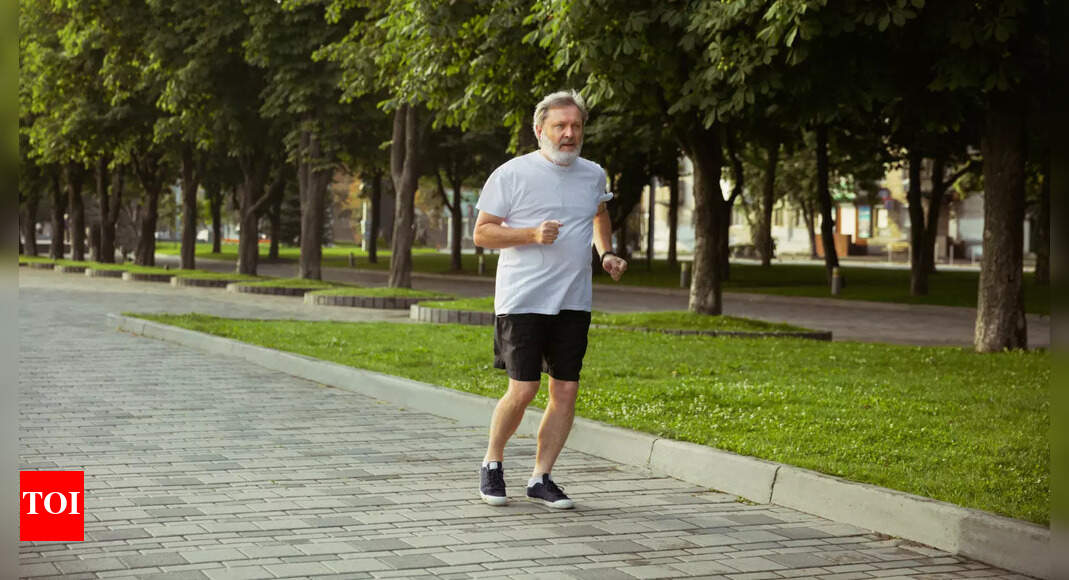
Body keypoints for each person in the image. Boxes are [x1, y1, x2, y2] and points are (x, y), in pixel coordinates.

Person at [472, 90, 628, 509]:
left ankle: (541, 477)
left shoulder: (592, 173)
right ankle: (492, 463)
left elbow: (598, 212)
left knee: (566, 390)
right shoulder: (512, 174)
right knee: (522, 389)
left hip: (573, 300)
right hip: (522, 297)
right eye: (560, 126)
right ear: (540, 130)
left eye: (576, 126)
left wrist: (605, 252)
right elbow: (482, 232)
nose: (569, 134)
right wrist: (528, 234)